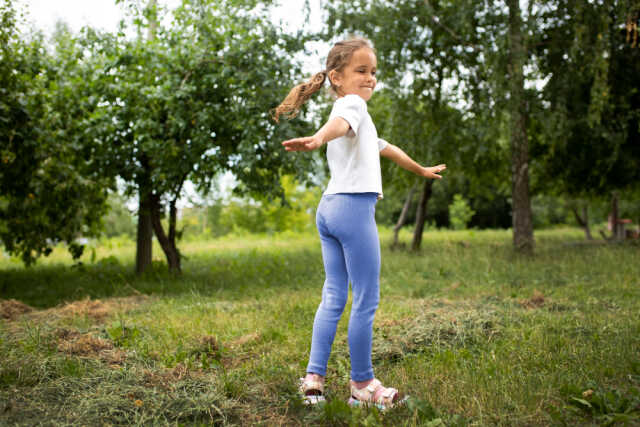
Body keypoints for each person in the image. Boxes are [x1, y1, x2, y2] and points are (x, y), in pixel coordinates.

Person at [273, 37, 446, 409]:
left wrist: (421, 169)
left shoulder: (354, 115)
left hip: (328, 209)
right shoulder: (351, 107)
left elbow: (386, 147)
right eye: (361, 71)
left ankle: (313, 381)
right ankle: (363, 385)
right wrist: (319, 138)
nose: (370, 79)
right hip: (352, 211)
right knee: (366, 299)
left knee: (334, 295)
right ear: (336, 77)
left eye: (373, 72)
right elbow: (337, 125)